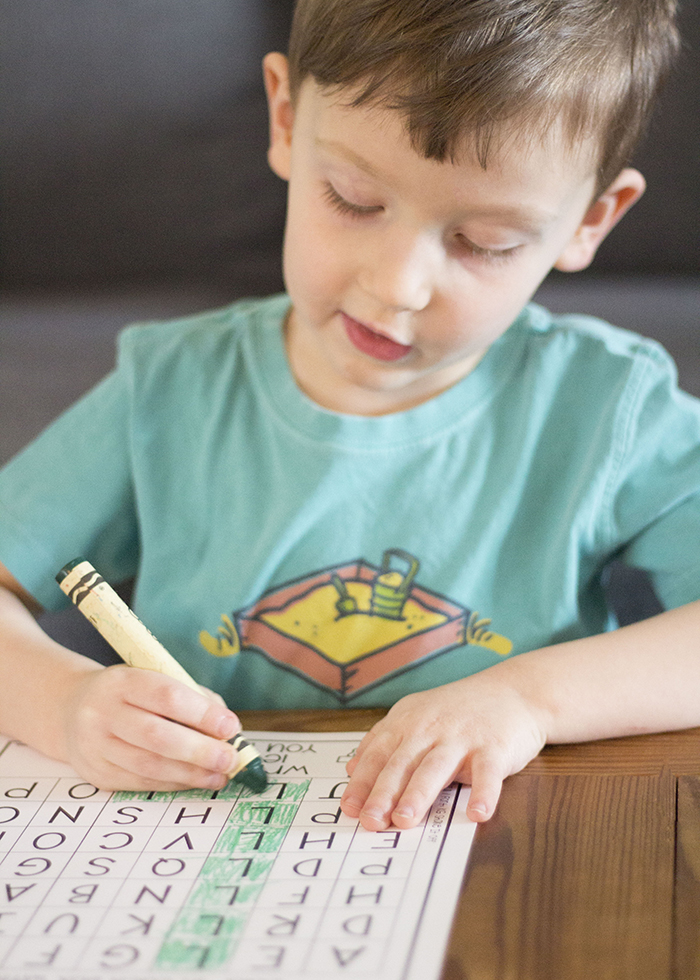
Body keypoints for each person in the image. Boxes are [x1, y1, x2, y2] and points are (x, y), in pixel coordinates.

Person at [0, 0, 696, 835]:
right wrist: (65, 704)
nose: (397, 284)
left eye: (482, 241)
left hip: (507, 852)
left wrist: (529, 699)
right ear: (287, 119)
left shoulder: (605, 408)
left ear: (592, 219)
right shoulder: (171, 391)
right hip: (218, 850)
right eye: (354, 198)